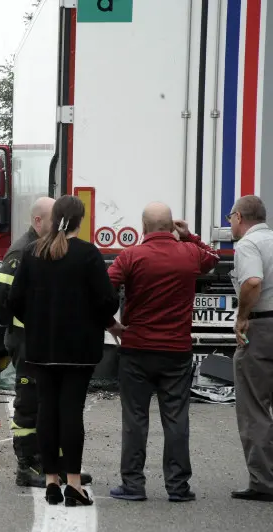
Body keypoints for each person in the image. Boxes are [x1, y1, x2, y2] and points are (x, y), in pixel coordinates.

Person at [8, 195, 119, 506]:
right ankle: (73, 484)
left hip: (41, 347)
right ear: (80, 221)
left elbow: (13, 301)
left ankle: (51, 482)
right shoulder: (87, 254)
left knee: (46, 410)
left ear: (54, 218)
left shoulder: (32, 253)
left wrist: (36, 322)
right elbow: (107, 302)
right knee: (71, 412)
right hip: (79, 350)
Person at [106, 202, 218, 503]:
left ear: (143, 228)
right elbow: (214, 259)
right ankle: (178, 487)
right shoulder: (190, 254)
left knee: (135, 418)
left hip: (136, 349)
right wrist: (190, 236)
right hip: (176, 352)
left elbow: (101, 292)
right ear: (171, 227)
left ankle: (133, 485)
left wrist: (112, 325)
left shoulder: (130, 256)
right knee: (177, 418)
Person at [0, 196, 77, 489]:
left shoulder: (47, 247)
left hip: (47, 340)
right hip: (26, 341)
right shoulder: (20, 252)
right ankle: (26, 466)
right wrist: (17, 327)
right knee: (29, 403)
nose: (60, 227)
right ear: (38, 221)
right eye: (54, 221)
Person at [227, 195, 273, 502]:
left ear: (240, 217)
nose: (229, 223)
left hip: (262, 328)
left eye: (230, 218)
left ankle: (264, 482)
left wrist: (242, 317)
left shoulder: (247, 245)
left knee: (255, 406)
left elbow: (253, 281)